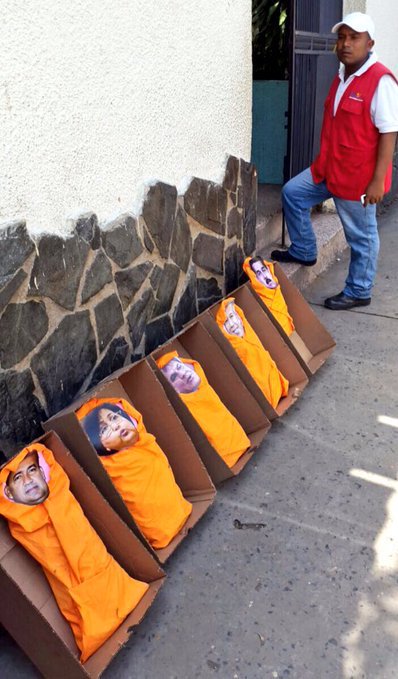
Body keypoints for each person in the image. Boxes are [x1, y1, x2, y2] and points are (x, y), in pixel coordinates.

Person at [271, 12, 398, 310]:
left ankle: (358, 290)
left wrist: (379, 179)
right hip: (329, 168)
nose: (345, 44)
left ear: (370, 43)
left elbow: (389, 133)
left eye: (354, 38)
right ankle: (304, 250)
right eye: (342, 37)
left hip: (359, 179)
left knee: (361, 237)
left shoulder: (381, 81)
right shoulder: (341, 77)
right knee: (293, 192)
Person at [0, 443, 149, 662]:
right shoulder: (23, 525)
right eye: (17, 478)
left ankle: (116, 599)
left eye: (32, 470)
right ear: (8, 494)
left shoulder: (60, 494)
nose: (28, 480)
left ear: (44, 472)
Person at [77, 398, 192, 550]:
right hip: (159, 533)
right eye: (104, 429)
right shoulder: (111, 466)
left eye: (114, 417)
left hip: (182, 509)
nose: (115, 425)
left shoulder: (144, 442)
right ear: (101, 447)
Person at [157, 351, 250, 469]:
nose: (182, 374)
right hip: (225, 458)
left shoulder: (204, 386)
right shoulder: (186, 406)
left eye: (179, 367)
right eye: (174, 377)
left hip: (240, 441)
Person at [216, 298, 289, 408]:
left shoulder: (249, 334)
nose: (232, 324)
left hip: (275, 384)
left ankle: (276, 389)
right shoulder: (235, 348)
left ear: (240, 317)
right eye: (226, 322)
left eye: (232, 317)